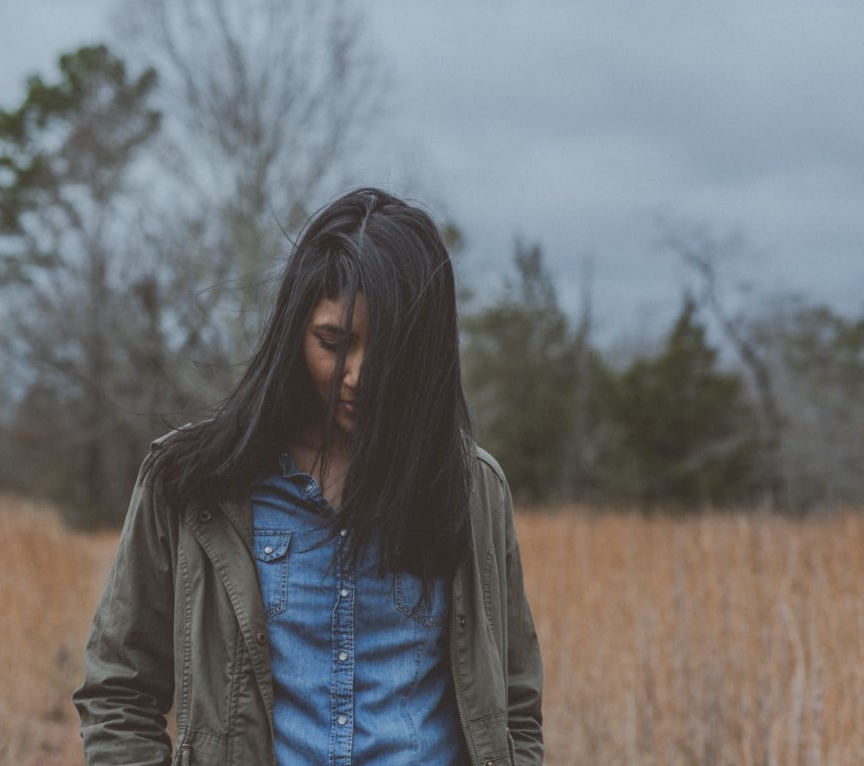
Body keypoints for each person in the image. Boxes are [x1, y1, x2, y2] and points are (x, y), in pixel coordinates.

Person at [72, 188, 543, 765]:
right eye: (334, 342)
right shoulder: (192, 485)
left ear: (424, 352)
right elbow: (119, 690)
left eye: (389, 349)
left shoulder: (473, 488)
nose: (358, 376)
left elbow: (514, 707)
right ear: (295, 332)